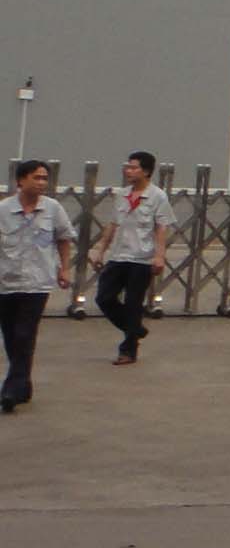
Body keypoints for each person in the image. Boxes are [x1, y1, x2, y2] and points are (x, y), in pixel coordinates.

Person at [4, 159, 78, 413]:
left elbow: (64, 238)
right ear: (21, 180)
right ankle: (23, 384)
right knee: (11, 336)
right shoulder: (3, 210)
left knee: (24, 334)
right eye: (36, 177)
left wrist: (65, 268)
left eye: (45, 178)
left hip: (37, 283)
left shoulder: (53, 208)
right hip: (6, 282)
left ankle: (10, 390)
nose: (41, 183)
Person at [89, 150, 173, 366]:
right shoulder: (122, 194)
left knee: (133, 303)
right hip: (119, 256)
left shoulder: (157, 196)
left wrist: (159, 256)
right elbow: (113, 224)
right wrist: (100, 250)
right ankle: (135, 329)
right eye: (128, 167)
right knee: (104, 298)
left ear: (146, 171)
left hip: (141, 259)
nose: (128, 171)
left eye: (134, 167)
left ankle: (128, 350)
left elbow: (161, 228)